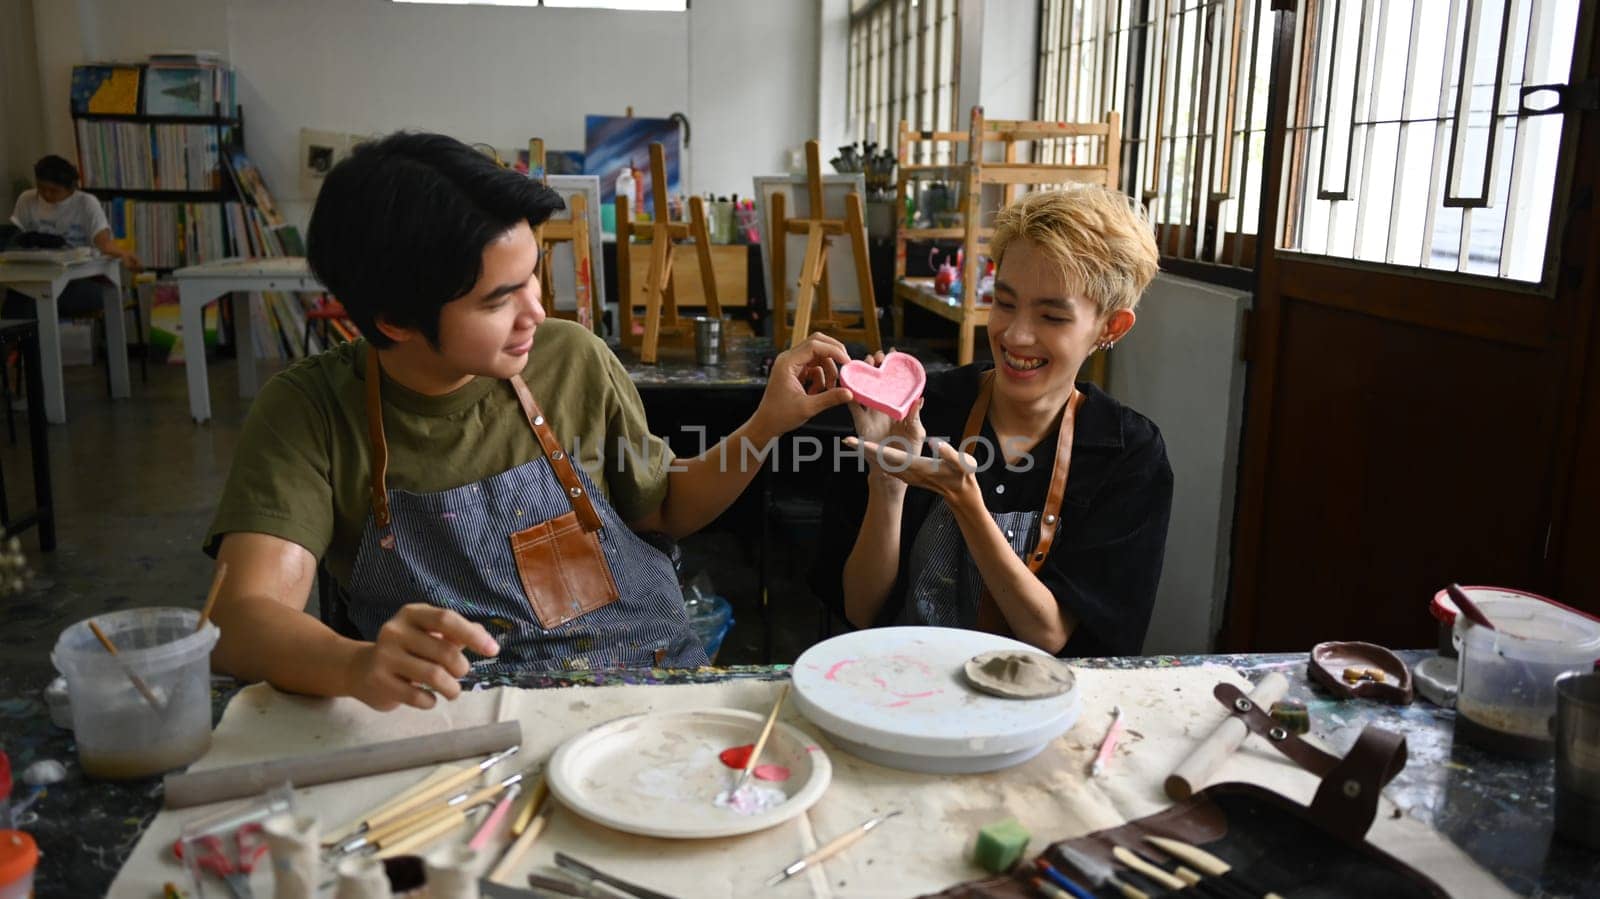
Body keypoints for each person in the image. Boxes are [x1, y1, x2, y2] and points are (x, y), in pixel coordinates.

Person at [205, 132, 853, 711]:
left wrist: (765, 426)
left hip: (645, 690)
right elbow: (241, 618)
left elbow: (665, 507)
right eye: (499, 298)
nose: (537, 312)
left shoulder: (572, 360)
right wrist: (356, 663)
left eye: (534, 277)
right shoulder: (312, 411)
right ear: (394, 320)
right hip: (467, 716)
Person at [814, 187, 1173, 656]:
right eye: (1004, 303)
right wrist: (888, 482)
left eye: (1051, 316)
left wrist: (966, 503)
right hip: (905, 685)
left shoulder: (1127, 453)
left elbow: (1048, 635)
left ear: (1111, 327)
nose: (1016, 334)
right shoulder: (921, 411)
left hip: (1036, 707)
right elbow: (861, 610)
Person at [4, 155, 141, 318]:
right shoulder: (27, 199)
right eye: (41, 188)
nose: (46, 194)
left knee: (33, 302)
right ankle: (17, 342)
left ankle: (32, 342)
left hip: (80, 281)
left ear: (72, 188)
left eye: (54, 191)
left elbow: (104, 243)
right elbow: (16, 240)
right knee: (19, 296)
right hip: (39, 277)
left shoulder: (86, 203)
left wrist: (124, 254)